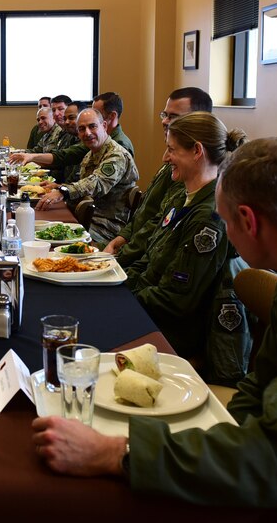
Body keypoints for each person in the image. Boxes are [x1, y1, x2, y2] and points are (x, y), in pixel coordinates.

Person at [32, 137, 277, 522]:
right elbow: (259, 386)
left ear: (248, 222)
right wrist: (222, 438)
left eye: (224, 221)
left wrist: (116, 453)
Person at [124, 112, 248, 374]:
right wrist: (119, 286)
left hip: (175, 333)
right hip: (149, 310)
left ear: (197, 151)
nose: (165, 158)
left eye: (171, 149)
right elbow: (148, 259)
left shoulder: (209, 216)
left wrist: (125, 299)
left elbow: (177, 300)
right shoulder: (183, 197)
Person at [103, 87, 213, 266]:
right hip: (135, 250)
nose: (164, 121)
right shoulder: (176, 158)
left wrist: (121, 257)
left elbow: (159, 224)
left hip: (144, 258)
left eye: (173, 117)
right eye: (165, 114)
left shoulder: (192, 170)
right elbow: (145, 212)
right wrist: (122, 238)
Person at [35, 108, 138, 245]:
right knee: (43, 227)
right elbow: (84, 183)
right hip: (89, 217)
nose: (87, 133)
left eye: (92, 126)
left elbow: (96, 184)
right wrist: (59, 187)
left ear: (104, 126)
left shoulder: (116, 155)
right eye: (82, 129)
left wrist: (63, 191)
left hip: (107, 227)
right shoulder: (91, 154)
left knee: (52, 238)